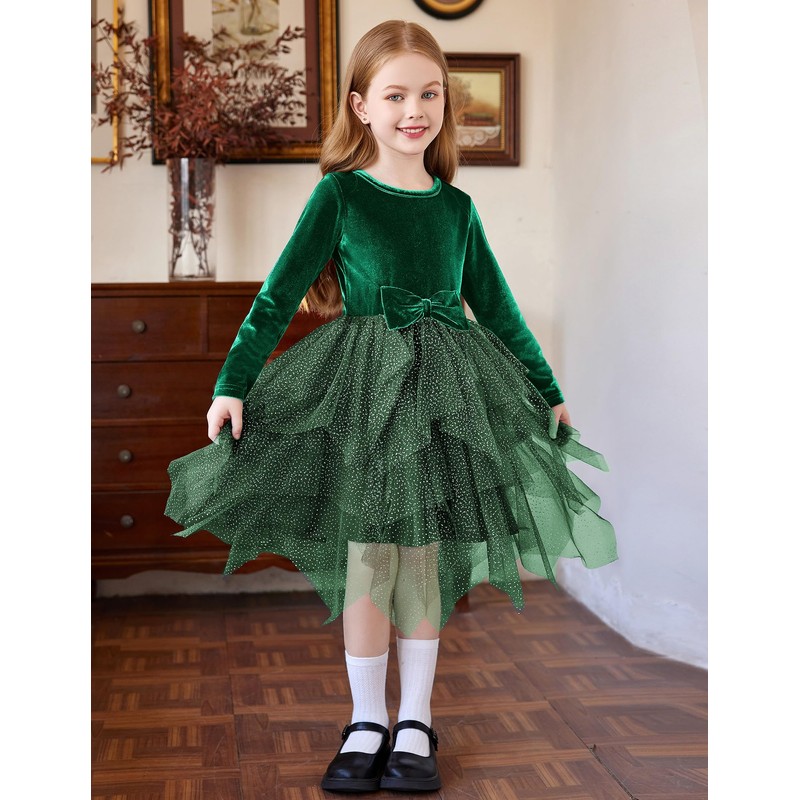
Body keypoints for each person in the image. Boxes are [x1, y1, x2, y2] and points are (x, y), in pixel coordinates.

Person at [166, 19, 617, 794]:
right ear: (361, 107)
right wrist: (232, 382)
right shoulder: (340, 195)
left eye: (430, 94)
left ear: (445, 103)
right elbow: (277, 295)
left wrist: (549, 390)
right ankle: (367, 718)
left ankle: (416, 718)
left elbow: (498, 309)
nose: (415, 110)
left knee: (422, 559)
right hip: (366, 392)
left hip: (445, 396)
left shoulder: (457, 209)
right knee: (370, 556)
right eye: (396, 95)